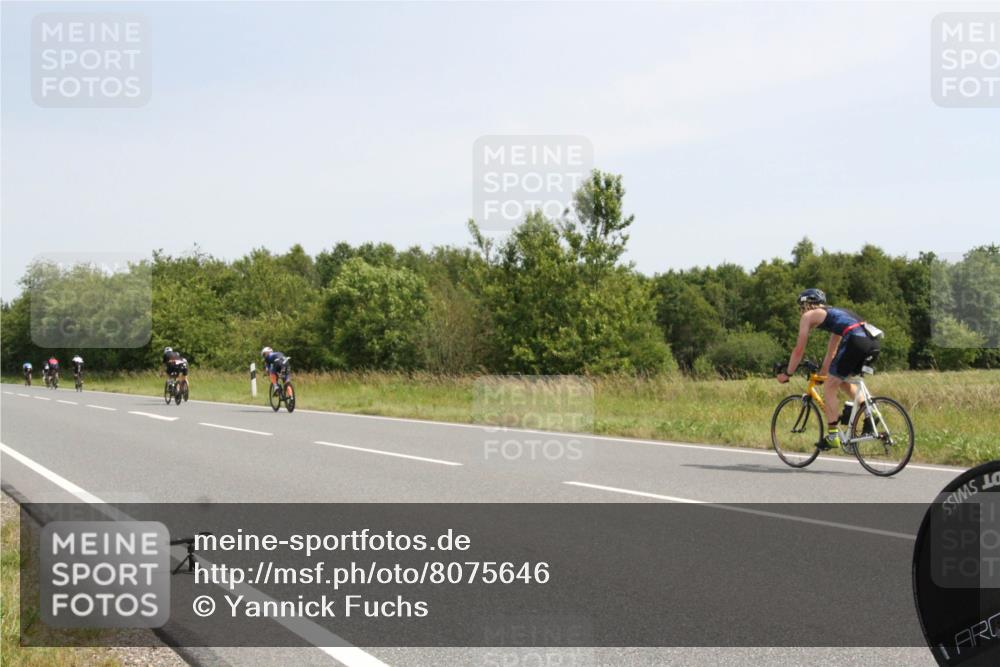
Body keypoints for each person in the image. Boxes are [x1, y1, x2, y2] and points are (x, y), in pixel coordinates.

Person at [776, 289, 880, 450]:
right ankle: (870, 412)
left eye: (801, 307)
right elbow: (832, 351)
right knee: (839, 379)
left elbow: (799, 350)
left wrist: (787, 373)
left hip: (855, 339)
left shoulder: (808, 316)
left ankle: (833, 436)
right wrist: (823, 373)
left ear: (807, 305)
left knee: (829, 387)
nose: (801, 312)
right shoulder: (836, 316)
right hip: (872, 341)